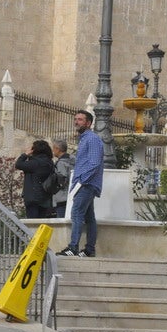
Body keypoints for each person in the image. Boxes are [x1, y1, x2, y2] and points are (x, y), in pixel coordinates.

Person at [58, 110, 104, 257]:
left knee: (76, 213)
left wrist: (82, 181)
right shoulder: (84, 139)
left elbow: (94, 163)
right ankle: (89, 249)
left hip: (86, 184)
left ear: (89, 123)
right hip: (84, 183)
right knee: (89, 217)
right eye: (76, 119)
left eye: (80, 119)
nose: (76, 122)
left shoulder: (92, 139)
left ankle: (73, 248)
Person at [15, 139, 55, 218]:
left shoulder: (35, 163)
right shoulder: (50, 163)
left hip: (33, 198)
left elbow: (18, 164)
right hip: (46, 197)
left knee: (33, 224)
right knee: (41, 223)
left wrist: (25, 154)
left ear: (34, 150)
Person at [51, 139, 75, 218]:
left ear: (58, 149)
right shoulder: (73, 161)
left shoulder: (61, 163)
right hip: (72, 195)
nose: (53, 150)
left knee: (61, 221)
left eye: (53, 148)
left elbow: (61, 180)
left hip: (62, 197)